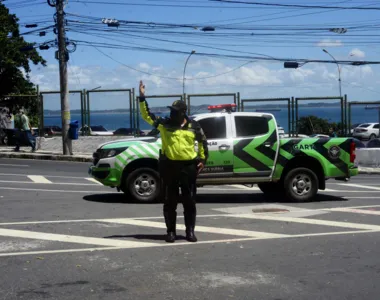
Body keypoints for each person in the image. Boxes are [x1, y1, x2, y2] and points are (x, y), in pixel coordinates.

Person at [139, 80, 208, 243]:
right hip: (169, 166)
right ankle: (170, 232)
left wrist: (203, 160)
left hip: (188, 166)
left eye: (176, 112)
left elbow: (203, 142)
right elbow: (146, 115)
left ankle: (190, 232)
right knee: (170, 201)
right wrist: (142, 98)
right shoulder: (164, 124)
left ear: (183, 113)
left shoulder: (194, 126)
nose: (172, 114)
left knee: (189, 201)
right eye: (172, 111)